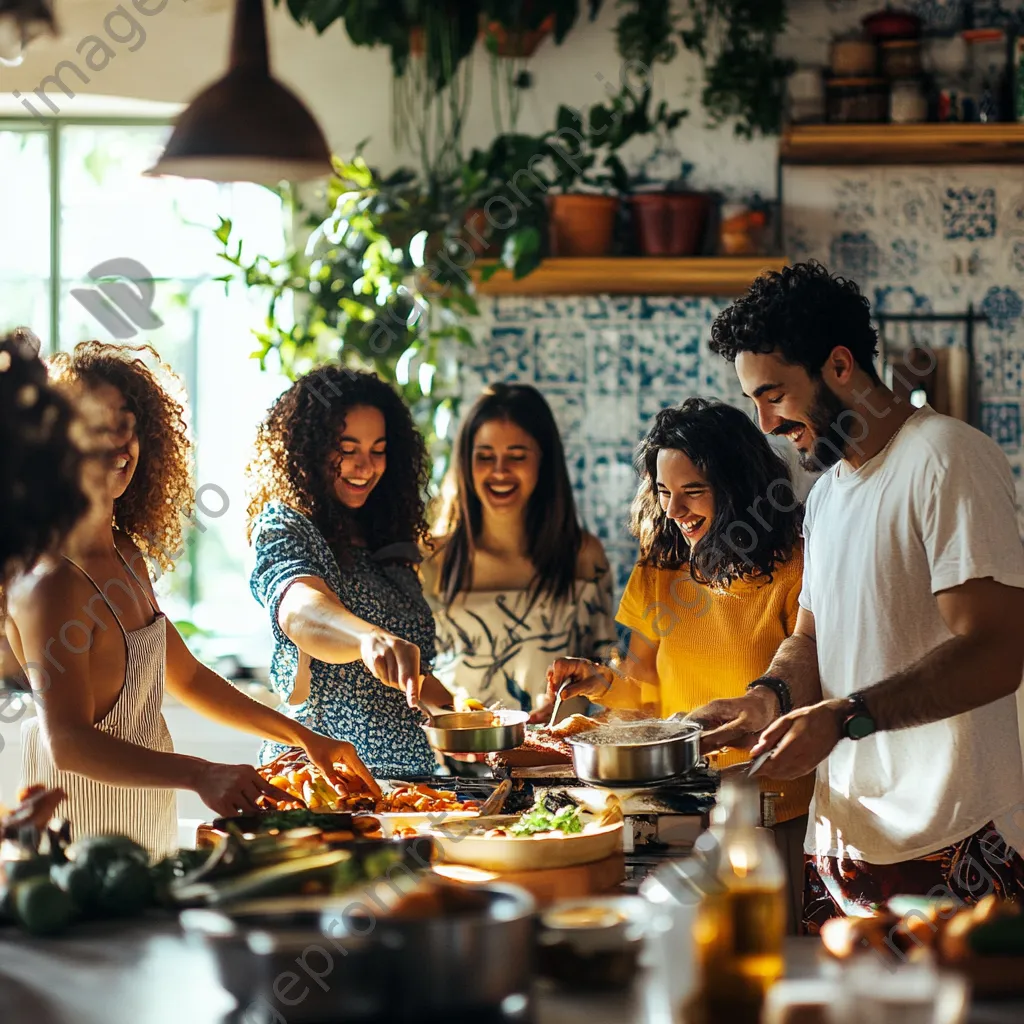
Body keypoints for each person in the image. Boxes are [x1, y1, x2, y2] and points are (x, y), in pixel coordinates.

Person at [695, 261, 1024, 929]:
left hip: (955, 840)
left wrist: (846, 716)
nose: (762, 422)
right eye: (753, 400)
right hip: (841, 845)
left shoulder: (947, 458)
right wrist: (771, 696)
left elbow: (996, 650)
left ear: (840, 366)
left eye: (774, 394)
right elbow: (812, 637)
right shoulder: (826, 496)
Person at [4, 342, 377, 857]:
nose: (117, 443)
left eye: (127, 424)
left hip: (142, 825)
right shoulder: (49, 580)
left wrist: (306, 738)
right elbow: (67, 743)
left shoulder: (126, 555)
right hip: (77, 847)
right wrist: (201, 773)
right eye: (96, 427)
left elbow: (190, 676)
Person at [538, 398, 813, 929]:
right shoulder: (661, 566)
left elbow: (807, 681)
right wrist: (599, 680)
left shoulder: (795, 568)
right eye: (664, 493)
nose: (675, 510)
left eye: (693, 491)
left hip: (772, 812)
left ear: (738, 490)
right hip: (679, 807)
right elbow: (644, 688)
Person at [248, 365, 451, 779]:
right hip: (323, 780)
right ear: (309, 449)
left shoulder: (385, 541)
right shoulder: (286, 526)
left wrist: (455, 716)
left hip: (409, 781)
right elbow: (301, 609)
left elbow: (405, 675)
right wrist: (367, 638)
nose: (365, 466)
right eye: (347, 447)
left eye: (378, 450)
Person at [423, 383, 615, 715]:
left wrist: (580, 691)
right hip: (454, 762)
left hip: (557, 762)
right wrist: (450, 710)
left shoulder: (583, 556)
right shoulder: (430, 558)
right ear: (465, 464)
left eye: (516, 456)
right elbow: (409, 676)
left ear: (544, 460)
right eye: (485, 457)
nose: (499, 471)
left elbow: (610, 674)